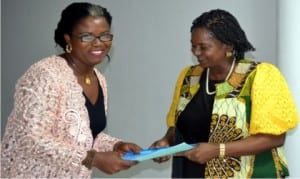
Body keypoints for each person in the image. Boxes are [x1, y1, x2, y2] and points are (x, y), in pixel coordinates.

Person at [151, 9, 298, 178]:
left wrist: (217, 150)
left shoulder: (260, 76)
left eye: (203, 47)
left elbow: (275, 138)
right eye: (193, 46)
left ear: (227, 45)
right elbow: (178, 126)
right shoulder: (189, 77)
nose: (196, 53)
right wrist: (166, 142)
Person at [1, 2, 141, 178]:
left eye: (105, 35)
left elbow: (84, 136)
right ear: (68, 39)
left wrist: (115, 145)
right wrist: (94, 159)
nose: (99, 43)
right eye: (87, 36)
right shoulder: (45, 75)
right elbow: (29, 139)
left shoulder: (99, 78)